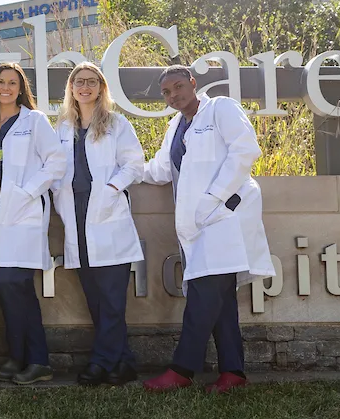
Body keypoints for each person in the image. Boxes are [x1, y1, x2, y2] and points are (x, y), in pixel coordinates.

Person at [141, 65, 275, 394]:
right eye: (166, 92)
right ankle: (233, 371)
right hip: (199, 224)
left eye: (177, 87)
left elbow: (245, 150)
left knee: (204, 293)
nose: (173, 95)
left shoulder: (221, 108)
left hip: (226, 216)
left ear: (193, 83)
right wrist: (120, 172)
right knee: (221, 299)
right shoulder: (175, 126)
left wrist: (214, 197)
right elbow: (160, 169)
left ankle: (182, 368)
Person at [52, 61, 145, 387]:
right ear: (72, 88)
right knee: (94, 296)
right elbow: (53, 166)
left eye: (92, 81)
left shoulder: (116, 124)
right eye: (79, 82)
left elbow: (134, 164)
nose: (85, 87)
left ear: (101, 87)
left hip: (106, 214)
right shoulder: (63, 127)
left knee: (111, 298)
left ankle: (101, 361)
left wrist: (110, 189)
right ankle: (124, 362)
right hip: (75, 216)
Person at [0, 62, 65, 385]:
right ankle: (18, 356)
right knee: (6, 288)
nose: (6, 87)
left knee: (16, 285)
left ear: (21, 88)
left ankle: (38, 359)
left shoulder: (34, 121)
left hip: (26, 212)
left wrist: (27, 191)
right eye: (1, 82)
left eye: (12, 83)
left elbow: (56, 162)